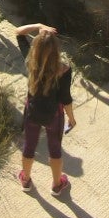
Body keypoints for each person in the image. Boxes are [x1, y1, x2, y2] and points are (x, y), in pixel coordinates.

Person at [16, 23, 76, 196]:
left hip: (32, 111)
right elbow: (65, 99)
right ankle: (57, 184)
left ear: (35, 47)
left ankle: (26, 179)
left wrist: (39, 26)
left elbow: (19, 33)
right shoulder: (63, 70)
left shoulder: (30, 60)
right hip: (54, 115)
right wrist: (71, 118)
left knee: (29, 146)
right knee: (55, 149)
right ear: (56, 50)